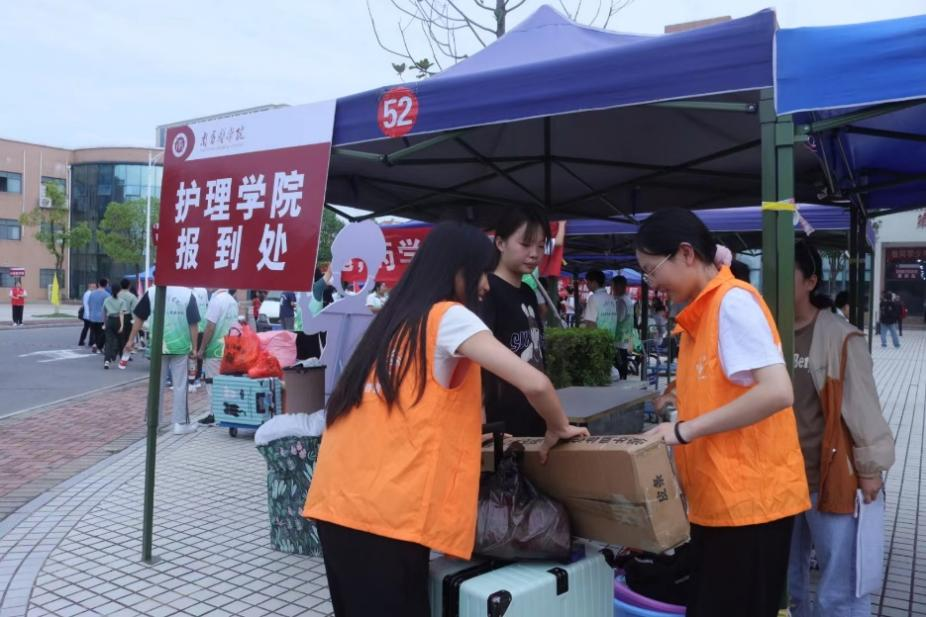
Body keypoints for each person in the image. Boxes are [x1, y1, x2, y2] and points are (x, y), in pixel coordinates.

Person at [302, 222, 588, 617]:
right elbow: (535, 383)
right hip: (386, 515)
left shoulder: (392, 321)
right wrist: (559, 426)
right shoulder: (448, 316)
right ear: (456, 271)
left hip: (336, 503)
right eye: (481, 273)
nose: (485, 286)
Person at [638, 207, 810, 617]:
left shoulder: (732, 303)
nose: (651, 284)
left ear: (686, 253)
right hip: (720, 503)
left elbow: (777, 391)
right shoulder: (700, 314)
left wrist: (683, 431)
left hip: (750, 507)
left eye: (650, 270)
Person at [788, 241, 894, 617]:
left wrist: (870, 469)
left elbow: (864, 407)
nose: (774, 283)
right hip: (780, 480)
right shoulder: (768, 332)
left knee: (839, 589)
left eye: (785, 274)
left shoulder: (841, 337)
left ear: (810, 281)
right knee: (786, 583)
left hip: (828, 477)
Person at [480, 208, 550, 437]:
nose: (535, 254)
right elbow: (476, 364)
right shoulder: (487, 291)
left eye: (541, 246)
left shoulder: (528, 292)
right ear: (500, 243)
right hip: (501, 420)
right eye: (526, 244)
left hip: (534, 412)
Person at [124, 286, 201, 435]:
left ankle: (153, 423)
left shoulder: (152, 291)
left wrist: (131, 339)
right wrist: (195, 347)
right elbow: (193, 324)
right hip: (180, 346)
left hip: (157, 345)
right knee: (180, 386)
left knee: (156, 385)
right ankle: (180, 423)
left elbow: (139, 317)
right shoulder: (187, 294)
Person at [195, 289, 240, 425]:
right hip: (230, 348)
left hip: (215, 349)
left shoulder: (216, 301)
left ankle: (214, 414)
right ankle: (227, 412)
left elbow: (210, 326)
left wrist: (202, 348)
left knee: (212, 382)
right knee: (227, 382)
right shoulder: (232, 301)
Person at [611, 276, 636, 380]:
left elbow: (617, 319)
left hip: (619, 340)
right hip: (626, 338)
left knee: (619, 368)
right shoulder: (628, 300)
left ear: (619, 286)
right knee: (623, 366)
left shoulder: (621, 301)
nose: (613, 289)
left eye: (613, 286)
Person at [116, 279, 138, 367]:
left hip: (117, 316)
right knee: (127, 337)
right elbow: (134, 309)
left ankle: (118, 352)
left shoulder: (116, 294)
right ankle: (125, 355)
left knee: (119, 336)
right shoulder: (132, 296)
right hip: (127, 317)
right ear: (129, 285)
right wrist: (134, 320)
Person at [101, 287, 124, 369]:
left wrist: (104, 323)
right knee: (118, 340)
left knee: (108, 341)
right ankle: (114, 355)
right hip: (118, 320)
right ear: (119, 291)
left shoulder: (107, 300)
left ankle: (107, 361)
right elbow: (121, 313)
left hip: (109, 320)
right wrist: (122, 325)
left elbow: (104, 313)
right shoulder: (121, 301)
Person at [86, 279, 110, 353]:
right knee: (102, 333)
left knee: (94, 332)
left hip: (92, 316)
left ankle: (94, 344)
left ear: (99, 284)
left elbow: (89, 304)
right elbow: (108, 307)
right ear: (106, 285)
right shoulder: (107, 295)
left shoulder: (92, 293)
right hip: (102, 317)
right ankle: (98, 346)